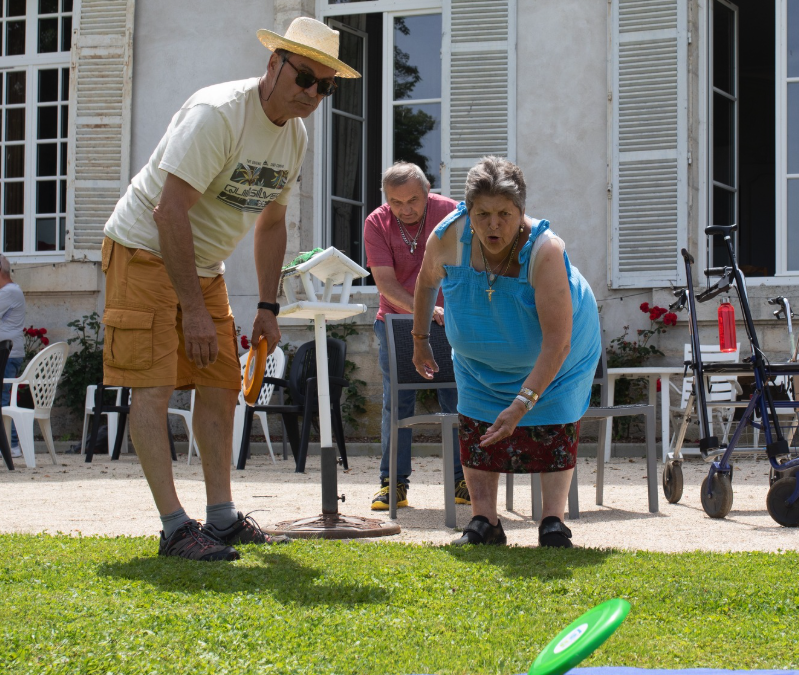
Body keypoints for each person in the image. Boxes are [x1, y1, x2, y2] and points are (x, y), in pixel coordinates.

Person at [101, 18, 360, 561]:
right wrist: (192, 310)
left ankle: (219, 520)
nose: (312, 92)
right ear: (274, 64)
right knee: (152, 386)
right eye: (305, 77)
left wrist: (267, 305)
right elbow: (167, 212)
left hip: (203, 265)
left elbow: (271, 224)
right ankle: (175, 528)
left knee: (219, 384)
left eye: (325, 86)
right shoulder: (218, 114)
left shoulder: (296, 134)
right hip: (145, 248)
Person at [412, 156, 600, 548]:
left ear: (521, 212)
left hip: (560, 353)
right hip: (478, 361)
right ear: (468, 210)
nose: (493, 224)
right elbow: (427, 283)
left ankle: (553, 522)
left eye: (504, 214)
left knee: (554, 419)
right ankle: (484, 521)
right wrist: (420, 339)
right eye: (483, 214)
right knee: (477, 423)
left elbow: (557, 343)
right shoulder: (447, 238)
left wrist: (522, 402)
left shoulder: (544, 250)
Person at [364, 162, 469, 510]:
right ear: (386, 200)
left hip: (450, 322)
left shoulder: (452, 213)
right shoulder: (376, 223)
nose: (405, 209)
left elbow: (470, 266)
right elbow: (385, 283)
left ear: (427, 193)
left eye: (413, 200)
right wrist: (422, 311)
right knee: (397, 403)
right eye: (396, 202)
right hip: (396, 321)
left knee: (457, 401)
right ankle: (392, 483)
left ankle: (463, 481)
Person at [0, 255, 25, 458]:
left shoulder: (9, 292)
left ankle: (12, 446)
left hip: (7, 355)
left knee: (4, 400)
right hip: (7, 354)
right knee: (5, 400)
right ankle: (11, 445)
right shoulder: (10, 291)